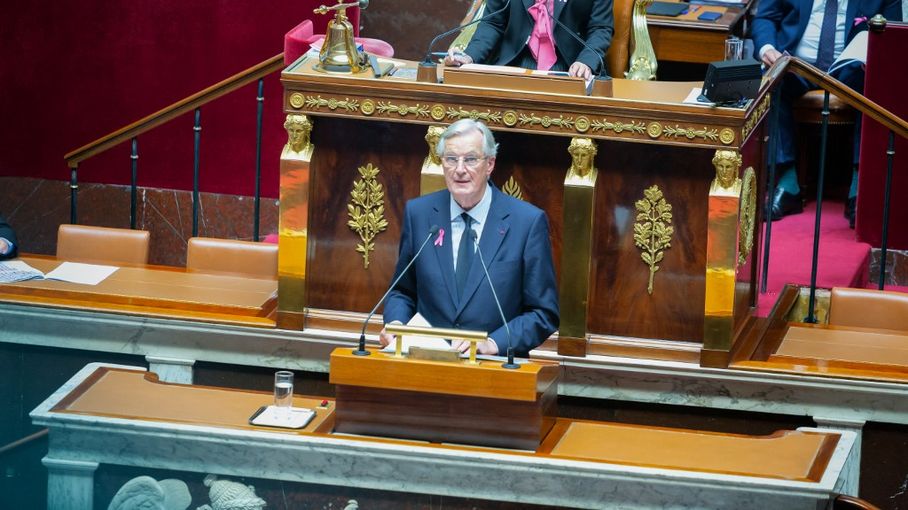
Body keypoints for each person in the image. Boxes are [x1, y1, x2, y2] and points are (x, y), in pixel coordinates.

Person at [380, 119, 559, 357]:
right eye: (451, 159)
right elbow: (402, 291)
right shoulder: (420, 214)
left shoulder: (526, 222)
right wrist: (397, 324)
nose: (460, 169)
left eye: (471, 159)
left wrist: (494, 343)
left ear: (490, 164)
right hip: (425, 363)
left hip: (494, 371)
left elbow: (543, 312)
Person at [752, 0, 902, 223]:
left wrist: (876, 56)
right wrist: (767, 48)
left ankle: (859, 186)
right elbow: (766, 16)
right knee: (773, 83)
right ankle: (787, 183)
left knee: (876, 85)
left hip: (851, 68)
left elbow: (892, 30)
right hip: (796, 64)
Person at [445, 0, 614, 80]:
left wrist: (586, 62)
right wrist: (470, 56)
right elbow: (493, 23)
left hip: (570, 66)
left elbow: (600, 28)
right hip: (514, 61)